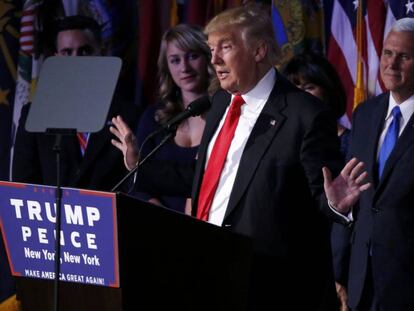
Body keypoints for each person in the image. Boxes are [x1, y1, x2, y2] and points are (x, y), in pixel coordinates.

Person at [111, 4, 369, 310]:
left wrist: (336, 207)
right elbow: (204, 179)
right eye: (211, 49)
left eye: (226, 47)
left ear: (259, 50)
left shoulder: (305, 115)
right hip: (208, 271)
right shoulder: (220, 102)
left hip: (271, 285)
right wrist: (140, 166)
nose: (214, 59)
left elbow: (320, 194)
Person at [331, 17, 414, 311]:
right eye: (388, 53)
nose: (391, 64)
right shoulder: (365, 114)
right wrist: (339, 270)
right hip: (360, 281)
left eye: (404, 56)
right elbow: (351, 198)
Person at [12, 15, 138, 191]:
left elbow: (135, 185)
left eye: (84, 51)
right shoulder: (35, 114)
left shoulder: (129, 115)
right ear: (56, 58)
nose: (76, 60)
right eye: (66, 52)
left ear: (101, 52)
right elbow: (22, 185)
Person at [283, 52, 351, 311]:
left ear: (328, 90)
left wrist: (339, 273)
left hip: (329, 264)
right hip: (290, 256)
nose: (300, 95)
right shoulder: (285, 143)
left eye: (309, 87)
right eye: (293, 87)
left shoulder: (351, 142)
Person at [132, 24, 216, 213]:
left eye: (193, 56)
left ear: (208, 58)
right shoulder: (153, 117)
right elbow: (137, 182)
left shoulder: (225, 114)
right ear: (167, 67)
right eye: (175, 60)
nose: (184, 67)